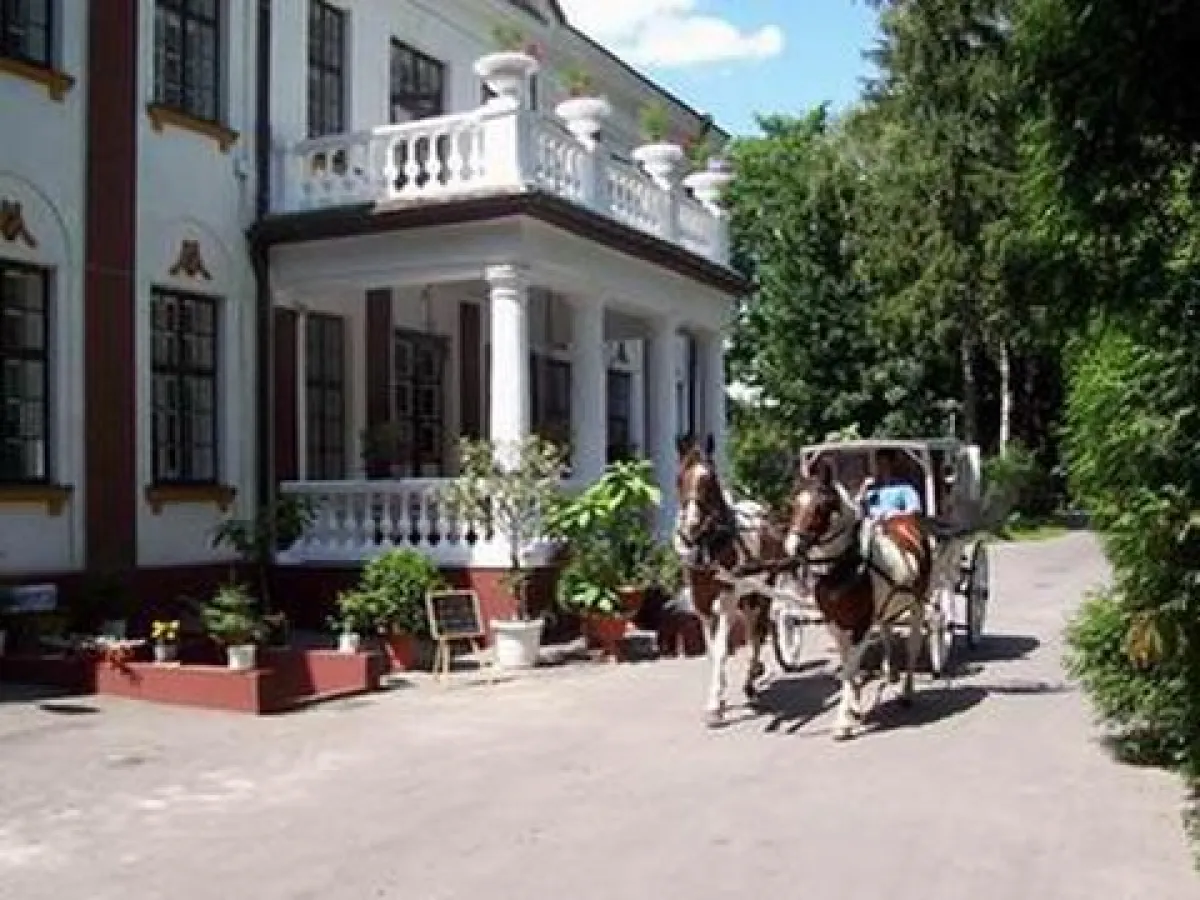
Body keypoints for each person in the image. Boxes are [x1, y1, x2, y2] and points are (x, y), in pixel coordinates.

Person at [858, 448, 922, 519]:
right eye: (880, 464)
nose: (882, 468)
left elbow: (915, 509)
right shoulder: (872, 488)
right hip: (874, 525)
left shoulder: (904, 487)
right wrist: (863, 488)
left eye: (885, 464)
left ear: (892, 464)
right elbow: (861, 510)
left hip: (895, 524)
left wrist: (895, 514)